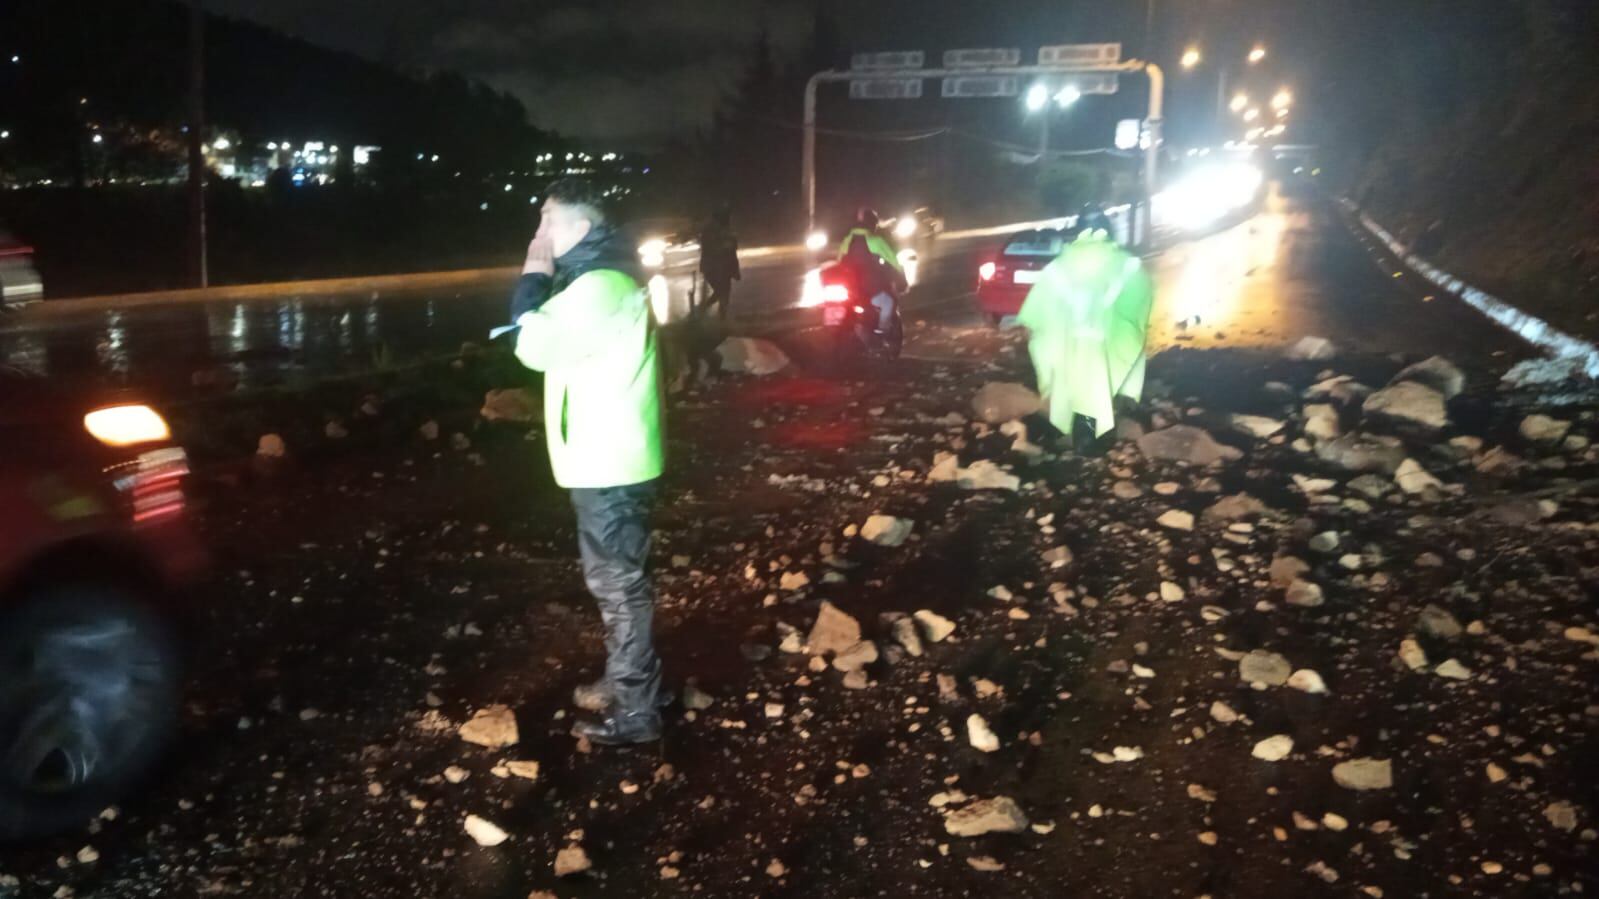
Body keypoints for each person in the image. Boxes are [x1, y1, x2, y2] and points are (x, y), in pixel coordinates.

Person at [507, 178, 667, 746]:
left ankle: (637, 712)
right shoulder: (602, 277)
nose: (539, 232)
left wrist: (532, 273)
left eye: (548, 219)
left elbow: (530, 346)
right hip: (615, 454)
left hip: (608, 461)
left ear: (580, 228)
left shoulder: (596, 285)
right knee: (625, 580)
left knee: (618, 586)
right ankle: (633, 683)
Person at [1016, 204, 1153, 445]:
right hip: (1106, 344)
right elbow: (1139, 305)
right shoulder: (1127, 265)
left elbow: (1035, 315)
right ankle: (1092, 441)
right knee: (1100, 389)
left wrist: (1047, 340)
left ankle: (1079, 440)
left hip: (1067, 346)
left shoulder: (1057, 268)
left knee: (1070, 393)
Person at [835, 207, 906, 334]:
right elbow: (894, 262)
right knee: (889, 302)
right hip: (870, 290)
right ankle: (882, 332)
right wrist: (902, 281)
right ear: (872, 224)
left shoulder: (847, 240)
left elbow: (839, 261)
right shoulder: (875, 241)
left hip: (850, 291)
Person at [697, 205, 741, 320]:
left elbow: (733, 247)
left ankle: (721, 319)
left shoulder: (726, 229)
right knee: (721, 292)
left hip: (725, 267)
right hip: (714, 267)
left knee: (724, 294)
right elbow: (711, 248)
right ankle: (702, 311)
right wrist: (725, 246)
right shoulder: (711, 230)